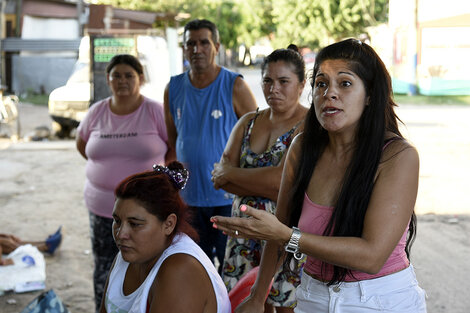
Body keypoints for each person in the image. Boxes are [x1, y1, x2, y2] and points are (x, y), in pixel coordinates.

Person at [211, 38, 427, 312]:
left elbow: (372, 256)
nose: (329, 94)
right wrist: (256, 295)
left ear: (370, 94)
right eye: (321, 83)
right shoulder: (302, 148)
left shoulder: (397, 156)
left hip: (379, 299)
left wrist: (289, 236)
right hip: (312, 295)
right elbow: (282, 226)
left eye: (345, 83)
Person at [211, 47, 308, 313]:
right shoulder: (248, 121)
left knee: (286, 306)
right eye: (267, 80)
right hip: (243, 236)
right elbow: (220, 181)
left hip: (284, 233)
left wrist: (232, 174)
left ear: (302, 84)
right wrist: (262, 181)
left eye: (283, 81)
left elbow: (281, 183)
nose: (273, 88)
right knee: (244, 302)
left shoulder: (309, 125)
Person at [76, 54, 174, 312]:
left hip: (145, 212)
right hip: (102, 208)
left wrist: (157, 179)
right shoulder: (97, 111)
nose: (122, 80)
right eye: (116, 75)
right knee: (104, 265)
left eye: (129, 75)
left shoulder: (154, 111)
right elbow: (82, 144)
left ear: (140, 78)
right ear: (108, 80)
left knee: (145, 264)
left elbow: (173, 148)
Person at [163, 18, 257, 271]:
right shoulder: (173, 88)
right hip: (189, 200)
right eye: (190, 44)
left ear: (216, 46)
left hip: (227, 199)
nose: (197, 49)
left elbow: (258, 136)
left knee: (232, 270)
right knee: (195, 269)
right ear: (184, 49)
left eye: (204, 42)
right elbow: (173, 142)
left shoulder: (234, 85)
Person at [100, 161, 231, 313]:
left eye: (135, 224)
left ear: (169, 224)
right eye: (117, 221)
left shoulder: (181, 271)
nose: (121, 234)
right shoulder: (127, 255)